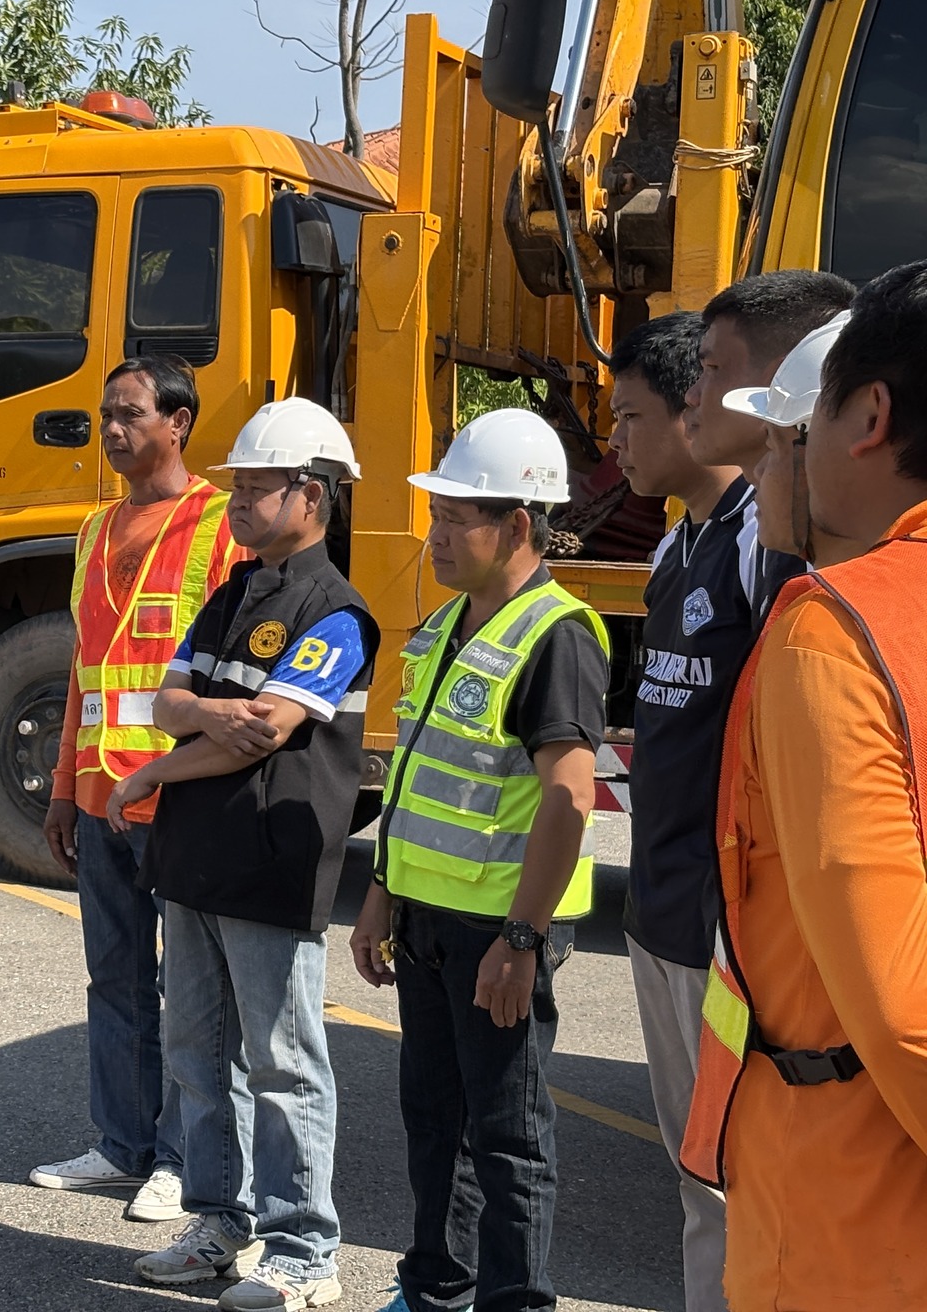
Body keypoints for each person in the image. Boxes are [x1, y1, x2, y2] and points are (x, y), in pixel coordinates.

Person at [682, 265, 927, 1309]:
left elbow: (902, 1011)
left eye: (791, 432)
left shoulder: (835, 634)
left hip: (852, 1212)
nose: (768, 470)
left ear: (866, 417)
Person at [104, 400, 377, 1310]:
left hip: (269, 864)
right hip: (196, 858)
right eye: (239, 488)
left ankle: (305, 1249)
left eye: (258, 488)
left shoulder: (338, 613)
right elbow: (168, 701)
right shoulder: (232, 594)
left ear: (313, 495)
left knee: (284, 1062)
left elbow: (267, 730)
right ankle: (221, 1220)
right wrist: (203, 717)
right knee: (197, 1051)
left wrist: (158, 768)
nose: (240, 503)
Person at [350, 408, 609, 1312]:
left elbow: (570, 798)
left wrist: (522, 937)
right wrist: (381, 894)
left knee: (508, 1137)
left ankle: (514, 1302)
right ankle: (434, 1286)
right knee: (434, 1123)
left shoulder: (557, 634)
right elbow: (416, 777)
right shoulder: (449, 622)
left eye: (458, 518)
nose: (437, 535)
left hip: (498, 930)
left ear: (519, 526)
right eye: (437, 515)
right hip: (427, 919)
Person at [31, 355, 241, 1224]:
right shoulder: (92, 531)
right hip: (98, 798)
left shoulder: (222, 525)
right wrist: (61, 788)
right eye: (105, 415)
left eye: (130, 414)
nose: (112, 429)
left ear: (178, 423)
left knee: (192, 996)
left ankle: (182, 1159)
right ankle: (122, 1144)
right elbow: (84, 670)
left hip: (178, 797)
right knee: (114, 979)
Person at [603, 313, 753, 1312]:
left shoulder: (759, 544)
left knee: (737, 1178)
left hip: (720, 923)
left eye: (630, 417)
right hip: (655, 911)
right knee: (696, 1177)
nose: (615, 440)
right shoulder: (675, 548)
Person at [684, 268, 855, 615]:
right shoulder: (756, 536)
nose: (691, 395)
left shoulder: (835, 548)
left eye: (712, 368)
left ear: (779, 377)